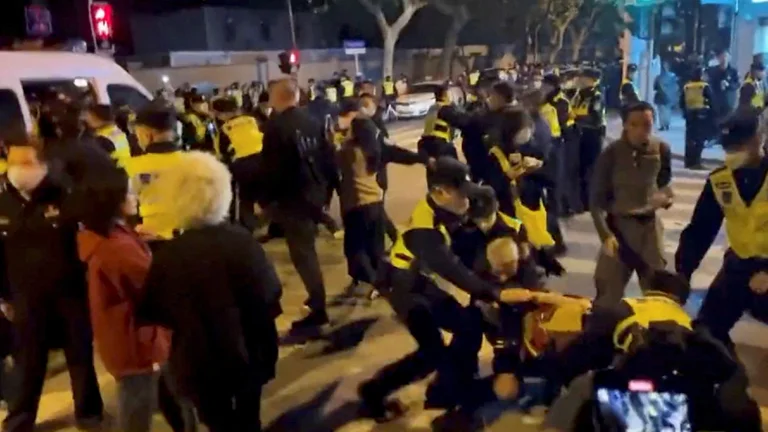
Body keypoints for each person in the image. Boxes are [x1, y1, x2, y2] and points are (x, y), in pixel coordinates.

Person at [137, 151, 282, 432]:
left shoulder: (170, 256)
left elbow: (157, 312)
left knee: (217, 421)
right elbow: (270, 296)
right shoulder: (244, 243)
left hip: (199, 362)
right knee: (249, 415)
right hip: (250, 353)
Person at [358, 158, 502, 420]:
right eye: (462, 195)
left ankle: (458, 382)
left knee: (468, 322)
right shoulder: (425, 232)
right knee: (431, 353)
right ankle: (373, 392)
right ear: (441, 192)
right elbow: (453, 270)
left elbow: (471, 219)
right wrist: (494, 293)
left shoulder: (440, 207)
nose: (466, 202)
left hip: (417, 279)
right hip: (403, 287)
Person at [543, 271, 762, 432]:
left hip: (623, 386)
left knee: (579, 390)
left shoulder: (620, 309)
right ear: (680, 300)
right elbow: (726, 368)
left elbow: (578, 356)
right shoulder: (690, 323)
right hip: (680, 391)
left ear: (648, 290)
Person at [75, 167, 197, 432]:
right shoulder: (118, 250)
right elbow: (156, 286)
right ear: (112, 201)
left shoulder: (105, 237)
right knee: (138, 410)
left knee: (173, 393)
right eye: (129, 192)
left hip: (134, 339)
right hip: (139, 344)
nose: (135, 196)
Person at [0, 134, 104, 432]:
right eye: (13, 161)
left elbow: (85, 244)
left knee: (80, 358)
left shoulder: (64, 194)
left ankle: (89, 415)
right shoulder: (2, 200)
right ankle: (20, 420)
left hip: (69, 293)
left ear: (43, 165)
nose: (19, 168)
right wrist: (3, 297)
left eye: (27, 162)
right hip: (25, 297)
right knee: (28, 362)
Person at [675, 108, 768, 349]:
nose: (732, 154)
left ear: (758, 139)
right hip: (739, 266)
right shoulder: (720, 181)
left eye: (738, 147)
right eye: (728, 148)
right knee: (705, 333)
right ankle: (727, 376)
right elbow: (700, 230)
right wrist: (683, 273)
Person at [261, 78, 339, 329]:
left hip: (293, 199)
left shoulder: (276, 126)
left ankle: (318, 307)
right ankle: (316, 298)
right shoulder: (312, 121)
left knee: (303, 254)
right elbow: (327, 157)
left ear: (278, 96)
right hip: (314, 194)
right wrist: (326, 194)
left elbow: (273, 169)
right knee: (307, 251)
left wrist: (268, 201)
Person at [590, 102, 673, 305]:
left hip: (650, 228)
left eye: (647, 124)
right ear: (625, 125)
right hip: (620, 228)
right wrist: (605, 235)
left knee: (658, 292)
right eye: (634, 124)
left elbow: (664, 183)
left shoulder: (661, 149)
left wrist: (665, 199)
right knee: (608, 292)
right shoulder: (611, 154)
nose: (641, 130)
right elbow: (596, 200)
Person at [333, 100, 385, 288]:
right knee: (376, 247)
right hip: (376, 202)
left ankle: (373, 282)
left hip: (358, 205)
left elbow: (334, 160)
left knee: (355, 248)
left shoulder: (349, 152)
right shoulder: (371, 149)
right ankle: (381, 279)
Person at [122, 102, 186, 248]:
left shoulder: (131, 167)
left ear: (147, 134)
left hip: (149, 241)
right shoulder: (195, 163)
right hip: (190, 241)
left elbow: (126, 210)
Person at [211, 96, 264, 233]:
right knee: (265, 197)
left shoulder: (225, 129)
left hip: (243, 166)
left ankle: (246, 230)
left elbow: (222, 154)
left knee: (244, 200)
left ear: (221, 113)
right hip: (263, 160)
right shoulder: (253, 120)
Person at [572, 67, 606, 210]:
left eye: (583, 78)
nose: (579, 80)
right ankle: (580, 200)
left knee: (590, 171)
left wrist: (575, 118)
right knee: (579, 170)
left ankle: (591, 202)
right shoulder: (579, 95)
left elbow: (595, 118)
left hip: (592, 136)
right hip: (580, 135)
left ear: (592, 80)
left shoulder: (596, 96)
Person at [419, 84, 471, 161]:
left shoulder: (432, 108)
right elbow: (462, 121)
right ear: (445, 94)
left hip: (426, 146)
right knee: (453, 169)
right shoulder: (445, 109)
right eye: (449, 93)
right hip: (440, 146)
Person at [680, 67, 714, 169]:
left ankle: (688, 162)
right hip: (701, 115)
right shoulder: (704, 86)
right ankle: (696, 162)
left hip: (689, 115)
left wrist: (685, 113)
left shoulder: (687, 86)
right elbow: (711, 101)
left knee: (689, 139)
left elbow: (681, 102)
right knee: (699, 140)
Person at [707, 48, 740, 122]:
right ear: (718, 58)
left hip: (729, 104)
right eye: (722, 56)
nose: (724, 58)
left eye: (726, 56)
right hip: (716, 104)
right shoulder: (713, 71)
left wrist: (728, 85)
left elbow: (737, 84)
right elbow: (709, 83)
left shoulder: (733, 71)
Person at [654, 62, 677, 131]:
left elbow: (654, 87)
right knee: (667, 110)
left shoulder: (658, 77)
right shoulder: (673, 76)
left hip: (661, 96)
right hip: (668, 96)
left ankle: (663, 125)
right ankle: (666, 124)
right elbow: (675, 87)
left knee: (662, 111)